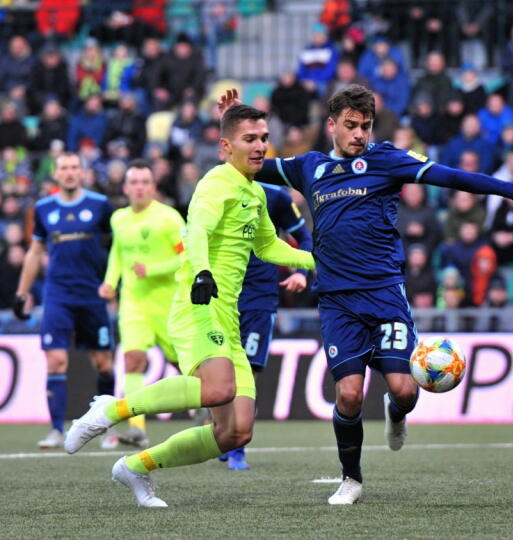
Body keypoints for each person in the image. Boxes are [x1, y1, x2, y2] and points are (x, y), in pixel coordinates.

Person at [232, 84, 513, 505]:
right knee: (348, 393)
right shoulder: (308, 167)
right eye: (350, 125)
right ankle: (352, 479)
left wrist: (512, 190)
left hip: (384, 297)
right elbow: (246, 164)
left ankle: (397, 414)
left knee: (404, 389)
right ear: (331, 125)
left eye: (365, 126)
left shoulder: (385, 159)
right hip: (337, 302)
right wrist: (235, 126)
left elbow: (448, 176)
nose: (359, 133)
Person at [64, 104, 316, 508]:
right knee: (219, 389)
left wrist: (325, 260)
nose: (260, 146)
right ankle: (114, 408)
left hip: (228, 315)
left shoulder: (255, 192)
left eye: (264, 139)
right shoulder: (217, 184)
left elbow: (269, 246)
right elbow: (197, 229)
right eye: (250, 139)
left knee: (236, 432)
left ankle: (136, 467)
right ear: (224, 146)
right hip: (199, 303)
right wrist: (201, 272)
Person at [13, 153, 117, 450]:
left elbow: (117, 245)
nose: (70, 172)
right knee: (56, 360)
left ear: (82, 172)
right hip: (57, 295)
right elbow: (34, 252)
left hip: (92, 294)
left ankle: (105, 429)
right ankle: (57, 430)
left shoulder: (100, 205)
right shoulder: (44, 208)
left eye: (74, 167)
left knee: (103, 363)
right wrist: (22, 292)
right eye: (64, 168)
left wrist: (114, 285)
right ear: (55, 174)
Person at [221, 181, 313, 471]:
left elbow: (305, 238)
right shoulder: (217, 191)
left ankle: (237, 448)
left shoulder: (275, 198)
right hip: (223, 293)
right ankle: (223, 431)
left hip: (259, 296)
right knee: (220, 373)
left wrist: (301, 272)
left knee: (248, 371)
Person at [99, 160, 185, 449]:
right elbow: (118, 254)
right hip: (133, 303)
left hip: (168, 304)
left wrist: (153, 269)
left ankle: (204, 408)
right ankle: (137, 428)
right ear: (125, 188)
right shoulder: (119, 219)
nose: (139, 187)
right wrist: (110, 282)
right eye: (133, 182)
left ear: (153, 187)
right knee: (132, 360)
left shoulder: (169, 219)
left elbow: (186, 257)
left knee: (182, 364)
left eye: (144, 182)